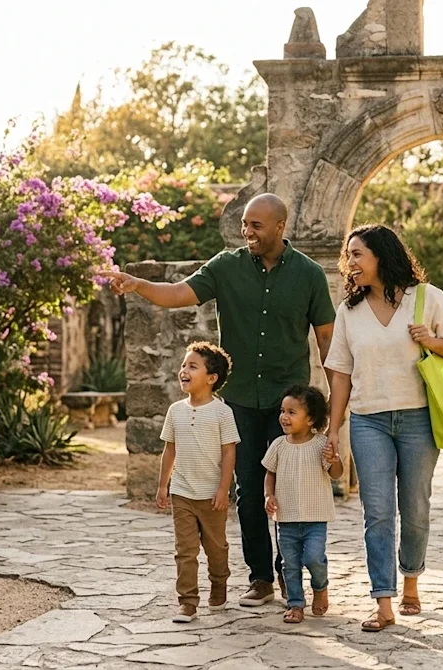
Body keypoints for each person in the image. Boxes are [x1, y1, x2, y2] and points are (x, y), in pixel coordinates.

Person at [103, 193, 336, 607]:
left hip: (289, 404)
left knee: (291, 488)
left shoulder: (310, 275)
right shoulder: (225, 267)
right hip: (242, 400)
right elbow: (177, 293)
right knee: (247, 489)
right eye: (244, 224)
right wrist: (138, 285)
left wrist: (334, 405)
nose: (247, 232)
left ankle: (290, 574)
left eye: (256, 226)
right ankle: (261, 577)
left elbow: (326, 340)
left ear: (280, 227)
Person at [323, 224, 443, 632]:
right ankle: (383, 602)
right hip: (369, 420)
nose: (349, 263)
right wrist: (333, 430)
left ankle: (411, 581)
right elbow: (340, 375)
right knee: (378, 513)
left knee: (416, 509)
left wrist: (431, 340)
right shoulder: (348, 311)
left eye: (357, 254)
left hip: (419, 418)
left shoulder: (426, 299)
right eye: (347, 255)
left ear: (381, 257)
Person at [157, 341, 240, 623]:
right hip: (182, 492)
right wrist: (162, 486)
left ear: (211, 378)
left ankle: (219, 583)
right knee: (185, 550)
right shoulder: (175, 411)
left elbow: (229, 451)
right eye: (183, 365)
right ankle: (188, 601)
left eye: (192, 366)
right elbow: (170, 449)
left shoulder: (222, 413)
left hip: (211, 495)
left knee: (216, 549)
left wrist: (223, 489)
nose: (184, 370)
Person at [262, 385, 344, 624]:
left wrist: (334, 460)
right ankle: (295, 604)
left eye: (291, 412)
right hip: (285, 519)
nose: (284, 417)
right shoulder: (278, 445)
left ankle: (320, 586)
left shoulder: (321, 445)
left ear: (310, 419)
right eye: (282, 411)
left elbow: (336, 473)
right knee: (290, 564)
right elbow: (270, 474)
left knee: (314, 558)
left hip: (315, 518)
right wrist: (269, 495)